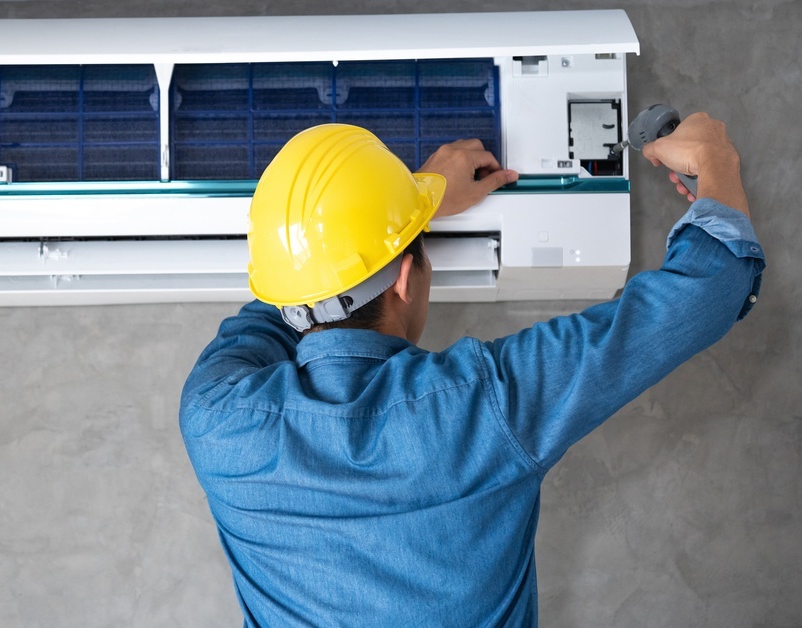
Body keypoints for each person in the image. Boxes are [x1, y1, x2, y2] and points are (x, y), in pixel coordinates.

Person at [179, 117, 763, 626]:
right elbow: (711, 288)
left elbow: (284, 304)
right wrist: (716, 158)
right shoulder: (488, 406)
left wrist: (409, 209)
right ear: (407, 277)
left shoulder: (215, 421)